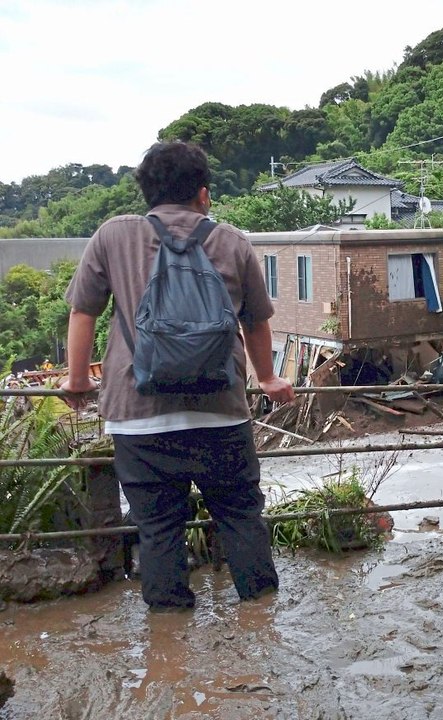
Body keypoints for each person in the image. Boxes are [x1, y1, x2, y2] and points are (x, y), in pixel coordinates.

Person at [60, 141, 295, 611]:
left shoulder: (112, 236)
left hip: (138, 416)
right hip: (221, 413)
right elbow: (257, 321)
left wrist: (77, 380)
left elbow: (83, 311)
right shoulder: (231, 240)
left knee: (159, 529)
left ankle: (169, 646)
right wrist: (268, 378)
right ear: (203, 195)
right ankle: (260, 626)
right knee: (242, 519)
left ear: (145, 192)